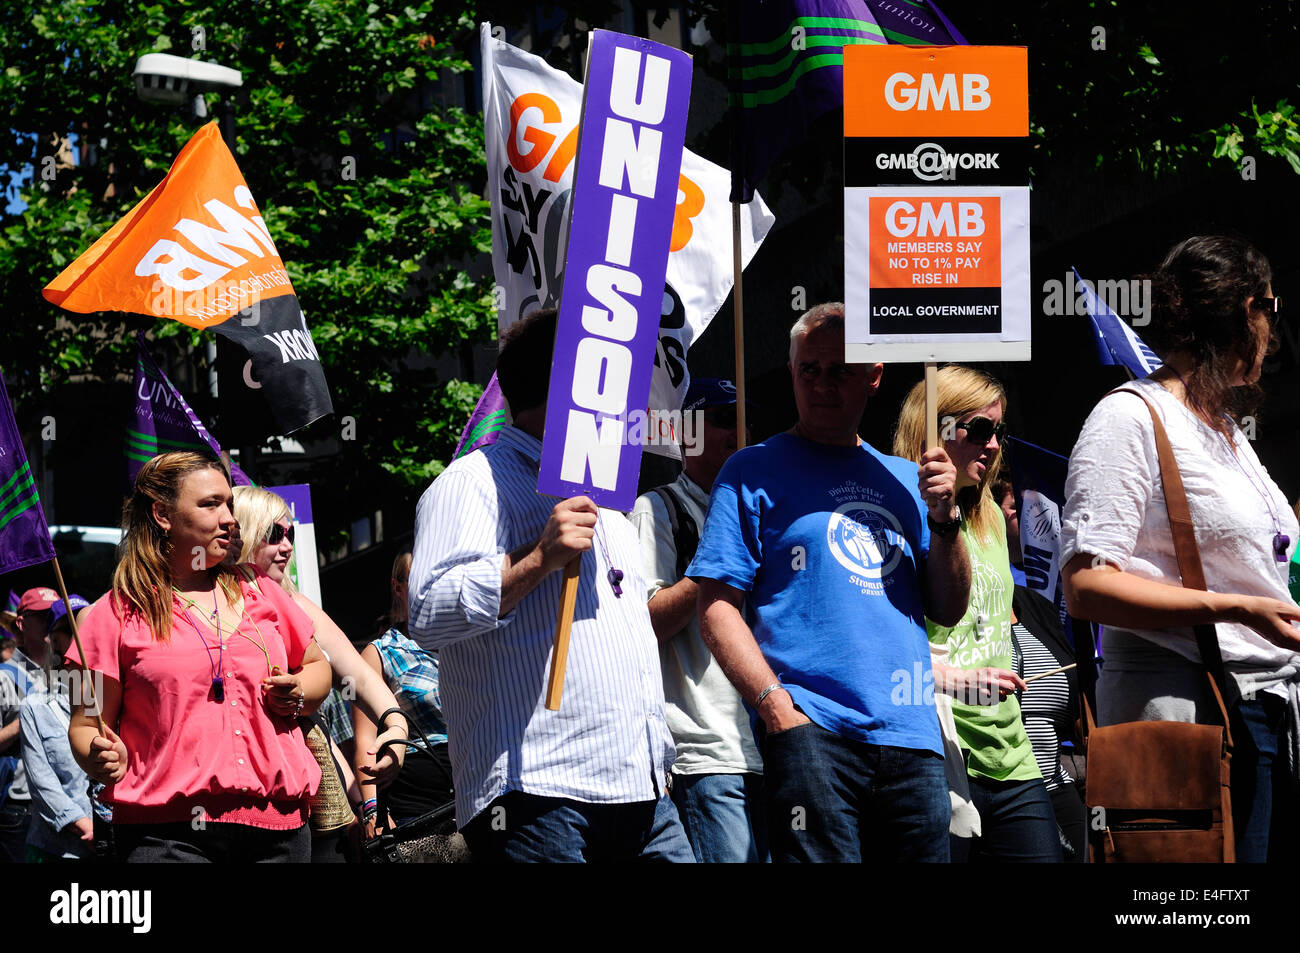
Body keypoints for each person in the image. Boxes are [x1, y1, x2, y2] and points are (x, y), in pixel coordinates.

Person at [408, 307, 693, 863]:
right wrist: (537, 557)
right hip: (539, 790)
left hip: (644, 789)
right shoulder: (471, 482)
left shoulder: (608, 501)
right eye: (610, 373)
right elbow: (427, 612)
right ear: (575, 382)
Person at [689, 303, 970, 863]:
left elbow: (948, 606)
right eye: (807, 370)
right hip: (812, 734)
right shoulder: (751, 470)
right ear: (791, 372)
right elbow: (716, 607)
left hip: (911, 737)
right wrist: (776, 709)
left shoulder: (906, 478)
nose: (820, 384)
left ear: (873, 376)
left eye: (839, 370)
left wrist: (945, 518)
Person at [1061, 234, 1300, 863]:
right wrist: (1236, 608)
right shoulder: (1130, 418)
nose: (1274, 331)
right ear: (1243, 310)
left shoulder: (1226, 433)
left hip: (1265, 714)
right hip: (1190, 720)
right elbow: (1085, 587)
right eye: (1270, 310)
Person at [66, 451, 332, 863]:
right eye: (211, 504)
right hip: (166, 838)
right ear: (162, 514)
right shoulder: (107, 616)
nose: (230, 518)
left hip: (280, 830)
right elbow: (84, 724)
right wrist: (96, 756)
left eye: (229, 503)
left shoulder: (261, 590)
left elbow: (319, 668)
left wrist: (299, 689)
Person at [894, 366, 1059, 862]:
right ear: (934, 427)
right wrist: (952, 680)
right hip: (937, 751)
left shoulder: (987, 517)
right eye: (979, 429)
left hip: (1012, 755)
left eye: (999, 432)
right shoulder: (898, 512)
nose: (992, 446)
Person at [230, 484, 409, 862]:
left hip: (320, 791)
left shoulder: (297, 602)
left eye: (290, 534)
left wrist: (396, 726)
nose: (287, 545)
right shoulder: (212, 606)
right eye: (273, 534)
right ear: (241, 534)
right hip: (248, 795)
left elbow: (357, 674)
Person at [628, 378, 766, 863]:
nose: (739, 431)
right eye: (725, 418)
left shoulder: (760, 511)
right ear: (686, 433)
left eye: (745, 419)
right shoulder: (658, 509)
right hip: (709, 754)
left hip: (776, 744)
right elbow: (643, 624)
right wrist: (712, 564)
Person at [355, 552, 454, 833]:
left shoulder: (465, 639)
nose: (430, 588)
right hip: (419, 805)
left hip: (480, 785)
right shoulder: (380, 653)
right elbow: (365, 741)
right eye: (420, 580)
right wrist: (372, 811)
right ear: (398, 587)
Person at [19, 594, 93, 862]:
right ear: (55, 641)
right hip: (55, 850)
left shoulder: (115, 699)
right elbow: (41, 782)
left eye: (90, 628)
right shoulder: (36, 707)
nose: (84, 637)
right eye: (72, 630)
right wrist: (82, 823)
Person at [1, 586, 61, 863]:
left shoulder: (68, 672)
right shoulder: (3, 677)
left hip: (65, 804)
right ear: (22, 623)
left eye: (56, 615)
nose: (51, 622)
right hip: (21, 806)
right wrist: (27, 718)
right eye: (43, 615)